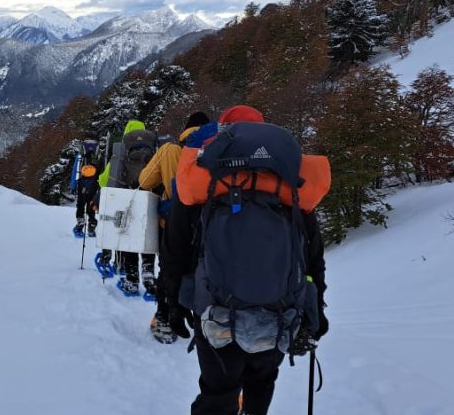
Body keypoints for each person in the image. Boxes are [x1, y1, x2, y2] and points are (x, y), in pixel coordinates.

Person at [166, 105, 329, 415]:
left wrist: (173, 302)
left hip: (214, 309)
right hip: (280, 311)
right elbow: (312, 255)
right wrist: (316, 307)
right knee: (261, 382)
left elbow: (175, 249)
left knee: (217, 391)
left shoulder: (205, 180)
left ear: (223, 134)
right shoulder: (289, 184)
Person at [137, 111, 211, 344]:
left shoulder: (171, 150)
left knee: (169, 270)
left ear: (186, 130)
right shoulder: (221, 149)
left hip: (174, 222)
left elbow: (144, 180)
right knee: (204, 271)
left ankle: (165, 320)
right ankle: (206, 323)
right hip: (211, 226)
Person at [97, 119, 157, 296]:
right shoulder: (154, 146)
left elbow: (105, 180)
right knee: (148, 235)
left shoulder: (122, 150)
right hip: (149, 197)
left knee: (129, 238)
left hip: (127, 199)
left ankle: (131, 280)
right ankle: (148, 273)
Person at [74, 164, 99, 237]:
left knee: (81, 207)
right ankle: (91, 227)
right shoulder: (95, 180)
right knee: (90, 211)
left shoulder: (80, 181)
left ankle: (81, 224)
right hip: (91, 198)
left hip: (83, 197)